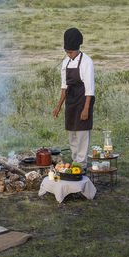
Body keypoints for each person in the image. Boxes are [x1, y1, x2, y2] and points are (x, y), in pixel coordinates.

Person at [52, 28, 94, 165]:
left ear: (77, 48)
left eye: (71, 52)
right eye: (66, 52)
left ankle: (82, 164)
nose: (68, 55)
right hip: (70, 100)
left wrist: (86, 109)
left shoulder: (87, 61)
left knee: (82, 133)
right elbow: (64, 87)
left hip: (83, 99)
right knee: (72, 133)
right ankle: (75, 160)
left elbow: (89, 89)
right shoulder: (66, 62)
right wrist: (58, 107)